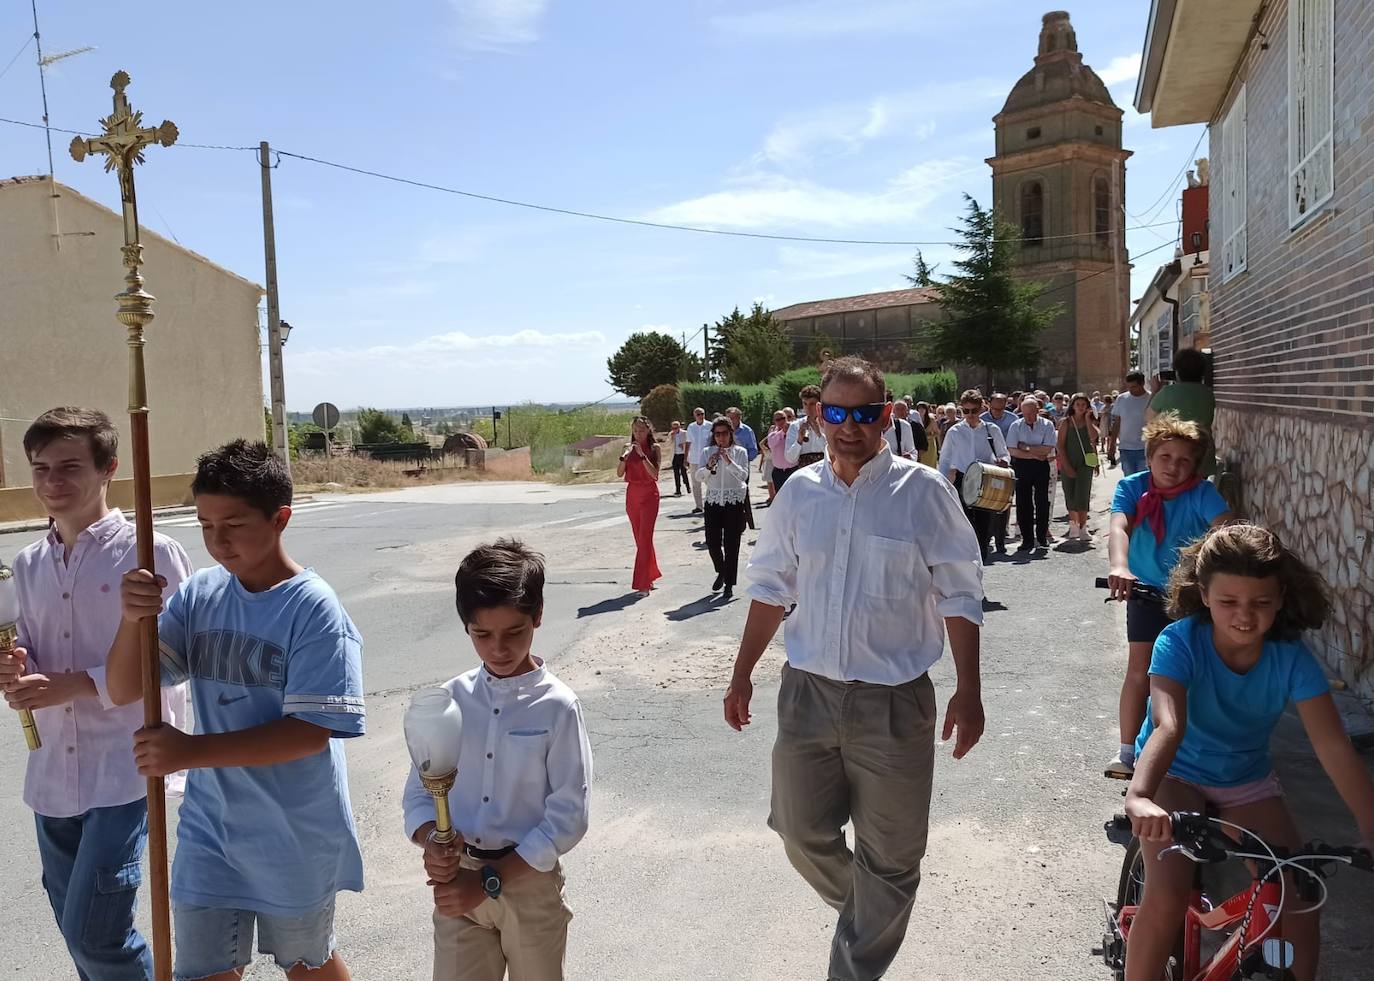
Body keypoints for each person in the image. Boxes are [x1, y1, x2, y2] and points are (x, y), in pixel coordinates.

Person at [723, 355, 985, 981]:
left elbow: (960, 592)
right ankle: (873, 910)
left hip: (894, 704)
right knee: (796, 829)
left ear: (886, 417)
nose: (849, 426)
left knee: (892, 858)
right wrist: (741, 674)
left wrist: (969, 690)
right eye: (836, 412)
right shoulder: (797, 494)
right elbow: (769, 588)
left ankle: (857, 956)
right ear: (818, 416)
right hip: (808, 694)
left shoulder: (924, 493)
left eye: (864, 414)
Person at [109, 439, 364, 981]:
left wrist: (190, 751)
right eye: (204, 524)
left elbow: (311, 732)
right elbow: (126, 685)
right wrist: (132, 618)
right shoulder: (201, 595)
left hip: (292, 831)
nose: (217, 540)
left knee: (306, 964)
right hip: (212, 829)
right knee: (202, 969)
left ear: (280, 518)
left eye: (234, 524)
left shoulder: (313, 608)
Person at [1123, 524, 1374, 981]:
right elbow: (1168, 724)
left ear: (1280, 598)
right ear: (1202, 594)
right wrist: (1139, 795)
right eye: (1229, 602)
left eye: (1261, 603)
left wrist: (1371, 827)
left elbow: (1333, 747)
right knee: (1168, 896)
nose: (1245, 616)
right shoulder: (1178, 642)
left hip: (1244, 779)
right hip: (1173, 775)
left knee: (1299, 898)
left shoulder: (1290, 657)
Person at [0, 408, 192, 981]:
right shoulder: (27, 566)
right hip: (53, 773)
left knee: (96, 933)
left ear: (109, 468)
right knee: (77, 933)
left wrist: (73, 684)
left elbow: (175, 663)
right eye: (40, 469)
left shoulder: (149, 552)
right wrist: (13, 673)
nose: (52, 482)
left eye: (68, 467)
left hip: (124, 770)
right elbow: (22, 651)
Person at [403, 540, 592, 981]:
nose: (499, 649)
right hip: (458, 884)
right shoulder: (449, 701)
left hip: (529, 883)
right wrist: (432, 838)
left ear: (538, 616)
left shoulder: (558, 706)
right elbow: (418, 791)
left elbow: (569, 817)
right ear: (466, 626)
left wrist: (490, 882)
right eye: (482, 634)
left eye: (514, 632)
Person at [1105, 413, 1234, 777]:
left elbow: (1225, 526)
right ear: (1148, 456)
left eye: (1184, 461)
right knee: (1139, 671)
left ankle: (1189, 746)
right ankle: (1127, 751)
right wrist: (1119, 566)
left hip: (1190, 596)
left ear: (1195, 467)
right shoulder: (1132, 487)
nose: (1173, 467)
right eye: (1165, 457)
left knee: (1193, 673)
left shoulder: (1202, 492)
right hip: (1145, 591)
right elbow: (1119, 526)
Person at [938, 390, 1010, 565]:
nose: (970, 415)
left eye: (974, 411)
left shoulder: (991, 429)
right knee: (965, 524)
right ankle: (968, 563)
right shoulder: (954, 431)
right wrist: (942, 484)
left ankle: (981, 562)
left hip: (986, 479)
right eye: (966, 411)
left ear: (981, 409)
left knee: (985, 526)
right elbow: (945, 459)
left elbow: (1004, 453)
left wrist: (1004, 461)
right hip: (963, 479)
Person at [697, 418, 751, 600]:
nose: (721, 438)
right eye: (717, 434)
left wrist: (728, 462)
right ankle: (721, 570)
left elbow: (743, 476)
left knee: (731, 544)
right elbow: (699, 477)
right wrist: (708, 466)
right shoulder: (707, 452)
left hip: (733, 501)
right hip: (713, 500)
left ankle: (729, 584)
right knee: (712, 542)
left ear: (730, 434)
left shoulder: (740, 452)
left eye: (724, 433)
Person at [1148, 347, 1216, 476]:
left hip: (1177, 457)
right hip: (1203, 454)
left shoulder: (1167, 393)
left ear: (1177, 372)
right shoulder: (1208, 394)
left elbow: (1148, 418)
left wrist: (1155, 390)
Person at [617, 416, 661, 596]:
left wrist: (642, 456)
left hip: (649, 495)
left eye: (642, 429)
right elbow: (619, 473)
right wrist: (624, 457)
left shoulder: (654, 448)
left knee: (645, 537)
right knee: (640, 539)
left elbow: (655, 474)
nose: (638, 433)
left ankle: (642, 583)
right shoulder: (627, 449)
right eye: (635, 430)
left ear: (649, 430)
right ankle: (650, 574)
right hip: (632, 495)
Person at [1006, 396, 1057, 551]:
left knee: (1042, 501)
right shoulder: (1016, 426)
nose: (1029, 417)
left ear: (1037, 410)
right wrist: (1034, 453)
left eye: (1032, 413)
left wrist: (1026, 447)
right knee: (1023, 503)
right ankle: (1027, 539)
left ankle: (1041, 537)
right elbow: (1013, 450)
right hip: (1022, 465)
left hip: (1041, 466)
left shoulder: (1047, 425)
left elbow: (1047, 449)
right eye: (1025, 413)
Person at [1056, 393, 1100, 542]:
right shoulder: (1066, 422)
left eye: (1083, 405)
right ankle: (1073, 526)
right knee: (1070, 494)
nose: (1081, 408)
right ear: (1073, 406)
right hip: (1069, 460)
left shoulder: (1090, 421)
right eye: (1078, 405)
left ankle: (1083, 527)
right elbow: (1060, 446)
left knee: (1083, 494)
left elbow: (1093, 438)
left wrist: (1088, 419)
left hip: (1086, 462)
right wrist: (1066, 466)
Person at [980, 394, 1018, 551]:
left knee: (1004, 502)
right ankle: (987, 537)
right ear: (989, 404)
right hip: (987, 466)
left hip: (1006, 465)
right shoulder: (982, 420)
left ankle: (1000, 539)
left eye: (1001, 406)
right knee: (987, 501)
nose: (998, 410)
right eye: (995, 407)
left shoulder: (1013, 419)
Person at [1112, 371, 1154, 476]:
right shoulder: (1121, 399)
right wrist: (1112, 445)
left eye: (1134, 387)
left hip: (1145, 448)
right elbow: (1117, 423)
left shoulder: (1151, 399)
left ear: (1142, 383)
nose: (1131, 390)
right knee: (1129, 481)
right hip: (1125, 448)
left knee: (1143, 481)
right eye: (1129, 387)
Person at [725, 407, 758, 531]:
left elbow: (754, 450)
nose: (730, 420)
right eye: (728, 418)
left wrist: (743, 459)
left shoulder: (746, 431)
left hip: (741, 468)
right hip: (725, 468)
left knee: (742, 494)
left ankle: (745, 521)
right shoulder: (723, 431)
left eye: (732, 418)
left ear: (739, 418)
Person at [783, 385, 827, 469]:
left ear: (819, 404)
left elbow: (833, 452)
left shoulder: (829, 424)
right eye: (805, 404)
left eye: (812, 404)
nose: (808, 408)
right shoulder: (795, 426)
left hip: (825, 468)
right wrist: (799, 440)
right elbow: (790, 458)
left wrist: (819, 434)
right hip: (804, 471)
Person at [685, 407, 711, 513]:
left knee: (709, 482)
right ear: (694, 416)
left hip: (706, 458)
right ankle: (699, 506)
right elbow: (688, 442)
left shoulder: (710, 426)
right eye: (698, 414)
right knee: (696, 483)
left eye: (702, 413)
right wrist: (685, 457)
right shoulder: (691, 427)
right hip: (694, 459)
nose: (701, 416)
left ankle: (710, 503)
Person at [762, 410, 790, 500]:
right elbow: (771, 443)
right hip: (778, 471)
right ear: (775, 421)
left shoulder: (793, 431)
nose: (781, 421)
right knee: (781, 498)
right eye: (778, 420)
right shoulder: (773, 434)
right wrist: (783, 432)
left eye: (783, 418)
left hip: (792, 469)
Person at [914, 401, 941, 468]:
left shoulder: (931, 419)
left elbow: (937, 432)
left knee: (930, 464)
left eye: (923, 409)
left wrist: (929, 436)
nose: (921, 410)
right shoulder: (914, 420)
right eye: (919, 409)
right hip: (919, 446)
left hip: (930, 445)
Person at [667, 420, 689, 497]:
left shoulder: (684, 433)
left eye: (676, 427)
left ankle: (687, 486)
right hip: (675, 455)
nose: (674, 429)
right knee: (676, 473)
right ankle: (678, 489)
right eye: (673, 427)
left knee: (683, 472)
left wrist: (683, 445)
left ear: (679, 427)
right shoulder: (671, 434)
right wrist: (672, 438)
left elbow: (688, 443)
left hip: (682, 455)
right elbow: (667, 444)